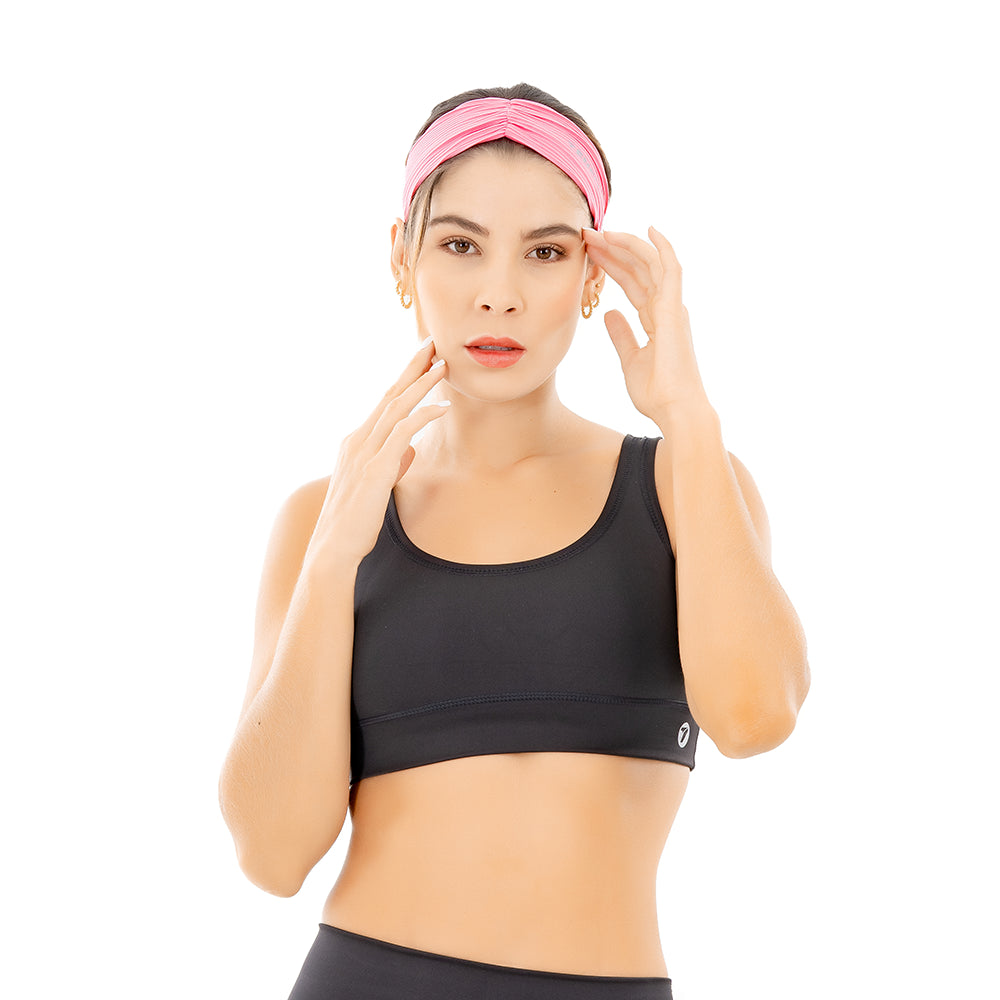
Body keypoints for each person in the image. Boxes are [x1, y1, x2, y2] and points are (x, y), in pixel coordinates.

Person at [219, 82, 810, 1000]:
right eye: (460, 245)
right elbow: (272, 854)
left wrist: (689, 417)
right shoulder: (322, 518)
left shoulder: (685, 482)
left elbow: (755, 718)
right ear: (402, 260)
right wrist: (335, 557)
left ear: (593, 277)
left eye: (545, 252)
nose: (499, 296)